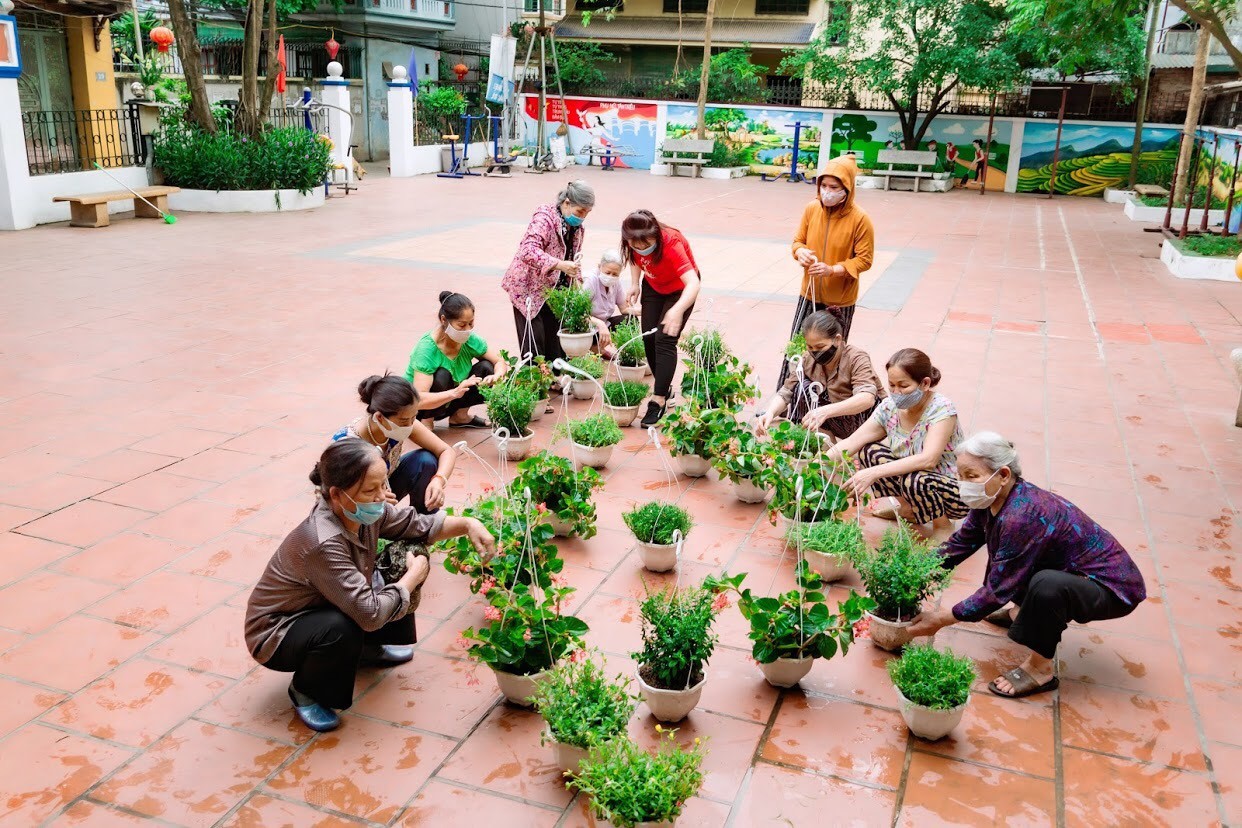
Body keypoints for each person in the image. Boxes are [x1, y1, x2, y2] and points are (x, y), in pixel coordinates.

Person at [245, 440, 496, 731]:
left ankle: (367, 648)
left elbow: (416, 525)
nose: (382, 497)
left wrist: (468, 524)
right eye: (370, 490)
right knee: (343, 625)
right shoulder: (322, 541)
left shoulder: (365, 511)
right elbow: (369, 613)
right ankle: (306, 690)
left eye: (382, 485)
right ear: (337, 495)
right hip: (276, 632)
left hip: (324, 603)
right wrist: (412, 577)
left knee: (400, 556)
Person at [907, 432, 1147, 699]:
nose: (964, 484)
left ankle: (1039, 669)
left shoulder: (1022, 515)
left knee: (1046, 585)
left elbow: (996, 590)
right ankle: (1022, 610)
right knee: (1020, 562)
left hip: (1109, 589)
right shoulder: (990, 500)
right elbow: (960, 544)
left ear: (1004, 474)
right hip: (1071, 569)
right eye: (960, 475)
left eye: (971, 476)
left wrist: (940, 620)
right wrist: (915, 573)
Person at [826, 348, 967, 527]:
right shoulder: (889, 408)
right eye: (892, 385)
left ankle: (943, 525)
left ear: (924, 383)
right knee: (870, 452)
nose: (896, 392)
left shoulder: (941, 410)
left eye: (903, 386)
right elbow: (852, 441)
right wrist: (813, 466)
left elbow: (928, 460)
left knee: (917, 479)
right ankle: (909, 509)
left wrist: (871, 473)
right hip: (912, 479)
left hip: (950, 491)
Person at [783, 155, 875, 388]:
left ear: (847, 188)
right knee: (798, 348)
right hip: (810, 293)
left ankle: (826, 401)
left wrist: (833, 269)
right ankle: (787, 398)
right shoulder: (811, 209)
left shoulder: (860, 219)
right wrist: (800, 252)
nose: (827, 192)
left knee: (830, 355)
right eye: (823, 185)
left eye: (834, 187)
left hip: (840, 300)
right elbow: (797, 241)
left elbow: (864, 260)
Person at [621, 209, 702, 427]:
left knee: (664, 339)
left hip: (680, 289)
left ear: (655, 235)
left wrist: (677, 310)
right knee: (648, 336)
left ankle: (658, 399)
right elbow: (635, 259)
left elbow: (693, 283)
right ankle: (665, 388)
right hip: (654, 286)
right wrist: (634, 283)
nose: (641, 249)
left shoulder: (671, 242)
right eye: (635, 245)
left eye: (645, 245)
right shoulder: (634, 241)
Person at [333, 374, 456, 514]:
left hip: (385, 488)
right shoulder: (349, 443)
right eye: (404, 421)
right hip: (354, 503)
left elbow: (446, 451)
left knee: (425, 461)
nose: (410, 425)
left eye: (414, 417)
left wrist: (439, 480)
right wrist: (372, 497)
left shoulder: (401, 424)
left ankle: (426, 523)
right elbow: (338, 494)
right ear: (379, 417)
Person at [502, 180, 595, 361]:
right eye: (580, 211)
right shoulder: (544, 218)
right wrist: (559, 264)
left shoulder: (577, 228)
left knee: (556, 343)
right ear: (566, 203)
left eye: (587, 213)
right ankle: (534, 384)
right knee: (534, 344)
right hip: (528, 287)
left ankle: (555, 381)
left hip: (554, 290)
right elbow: (527, 250)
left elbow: (574, 258)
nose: (583, 217)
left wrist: (577, 285)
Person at [757, 310, 886, 441]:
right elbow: (786, 393)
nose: (815, 352)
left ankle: (857, 443)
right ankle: (826, 442)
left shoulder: (856, 358)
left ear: (837, 339)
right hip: (837, 418)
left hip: (865, 420)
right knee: (802, 388)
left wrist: (825, 411)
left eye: (820, 346)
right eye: (810, 347)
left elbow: (867, 398)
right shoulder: (808, 359)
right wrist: (770, 413)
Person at [405, 292, 508, 430]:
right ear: (443, 320)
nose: (467, 329)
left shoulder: (469, 339)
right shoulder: (427, 349)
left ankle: (459, 416)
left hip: (451, 400)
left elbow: (499, 361)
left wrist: (498, 376)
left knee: (486, 367)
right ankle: (426, 423)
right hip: (420, 408)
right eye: (461, 325)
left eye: (471, 323)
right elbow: (419, 400)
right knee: (442, 375)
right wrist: (454, 392)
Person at [583, 249, 639, 359]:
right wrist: (600, 324)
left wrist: (646, 311)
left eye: (615, 274)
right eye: (608, 273)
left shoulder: (615, 282)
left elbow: (624, 309)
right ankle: (594, 348)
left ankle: (627, 354)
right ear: (600, 267)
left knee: (631, 319)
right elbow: (579, 314)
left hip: (603, 327)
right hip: (587, 328)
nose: (611, 276)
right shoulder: (591, 281)